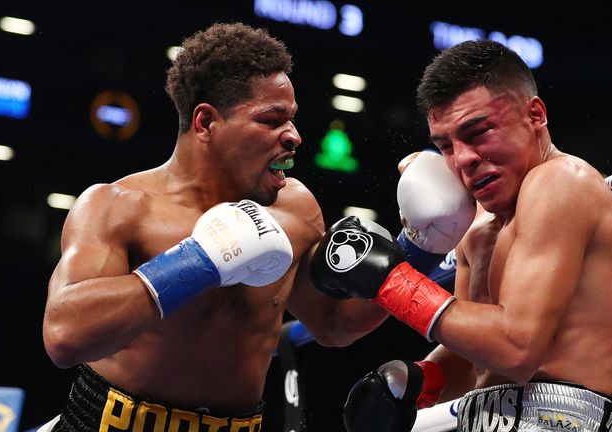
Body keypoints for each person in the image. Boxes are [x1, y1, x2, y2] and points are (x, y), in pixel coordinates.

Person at [40, 22, 390, 432]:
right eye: (272, 120)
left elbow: (332, 323)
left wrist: (420, 248)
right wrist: (197, 260)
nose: (293, 135)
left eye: (292, 119)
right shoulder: (118, 206)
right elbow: (64, 335)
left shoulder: (294, 208)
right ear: (206, 122)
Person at [310, 39, 612, 432]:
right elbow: (476, 356)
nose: (463, 159)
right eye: (445, 146)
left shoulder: (562, 183)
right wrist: (416, 381)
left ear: (535, 115)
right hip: (478, 418)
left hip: (558, 419)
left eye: (478, 132)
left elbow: (517, 350)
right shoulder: (477, 225)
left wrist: (391, 281)